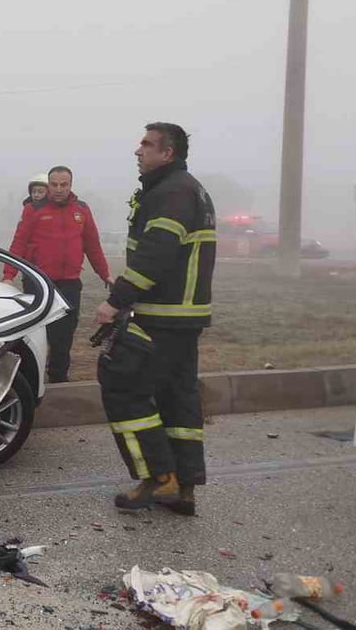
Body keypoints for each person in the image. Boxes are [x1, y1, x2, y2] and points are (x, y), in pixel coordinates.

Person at [93, 122, 216, 515]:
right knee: (176, 399)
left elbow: (157, 253)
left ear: (168, 153)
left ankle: (159, 476)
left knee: (123, 385)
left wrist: (116, 300)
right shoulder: (187, 189)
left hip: (163, 315)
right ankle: (183, 488)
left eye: (146, 144)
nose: (138, 151)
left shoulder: (172, 192)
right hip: (183, 318)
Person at [3, 165, 112, 383]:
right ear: (48, 185)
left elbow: (92, 245)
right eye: (54, 185)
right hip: (39, 283)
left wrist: (105, 274)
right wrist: (9, 275)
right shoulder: (33, 210)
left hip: (69, 284)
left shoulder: (82, 210)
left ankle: (58, 379)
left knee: (63, 336)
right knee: (35, 334)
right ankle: (30, 381)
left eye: (64, 185)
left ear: (71, 185)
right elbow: (19, 243)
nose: (59, 189)